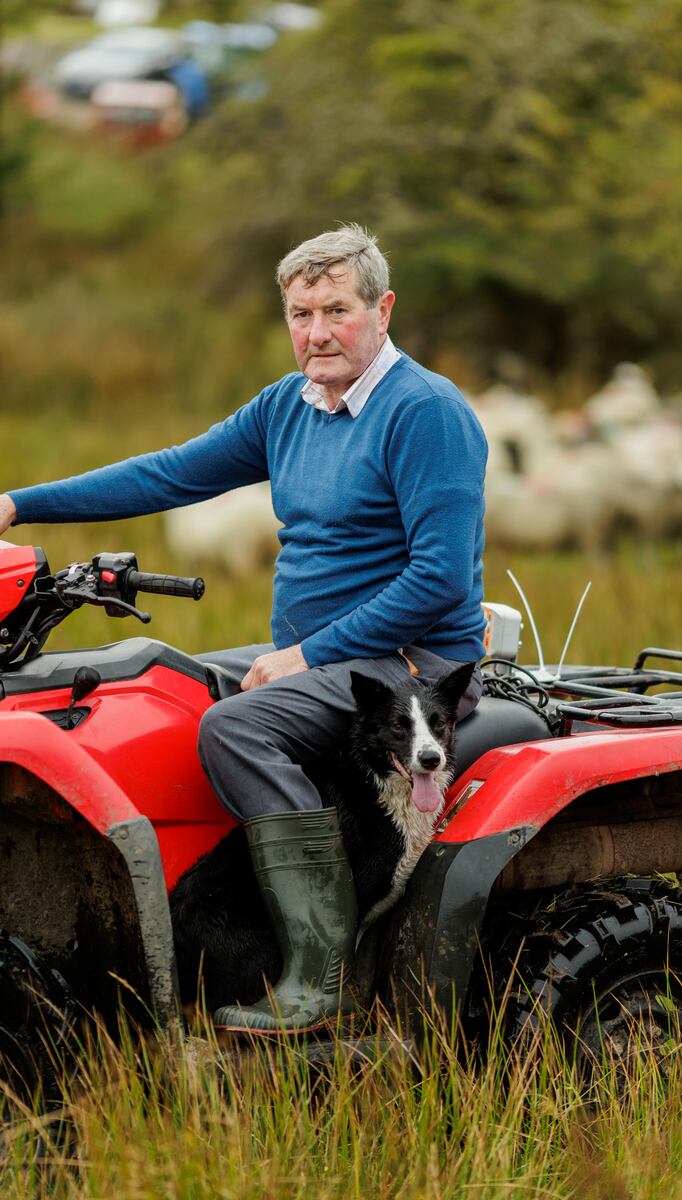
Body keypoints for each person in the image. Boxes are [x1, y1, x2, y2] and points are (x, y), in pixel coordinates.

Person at [0, 224, 488, 1033]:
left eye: (337, 309)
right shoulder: (290, 406)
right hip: (323, 653)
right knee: (160, 688)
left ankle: (319, 965)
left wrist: (304, 655)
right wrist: (18, 504)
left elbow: (437, 578)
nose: (317, 332)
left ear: (382, 308)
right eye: (301, 313)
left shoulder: (426, 413)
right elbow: (171, 471)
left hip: (407, 663)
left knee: (234, 729)